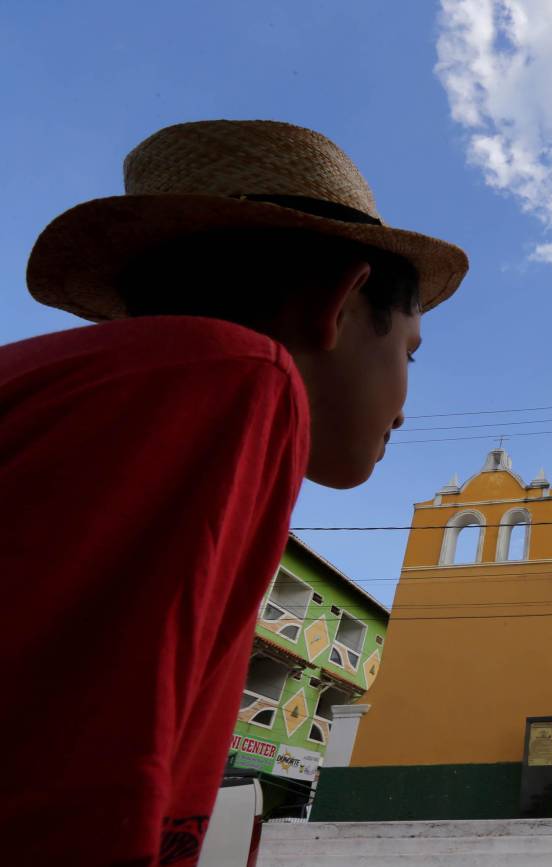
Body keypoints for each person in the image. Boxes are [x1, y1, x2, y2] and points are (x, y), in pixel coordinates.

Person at [0, 120, 468, 865]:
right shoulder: (242, 377)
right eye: (409, 349)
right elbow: (72, 788)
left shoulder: (70, 383)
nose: (406, 405)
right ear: (340, 303)